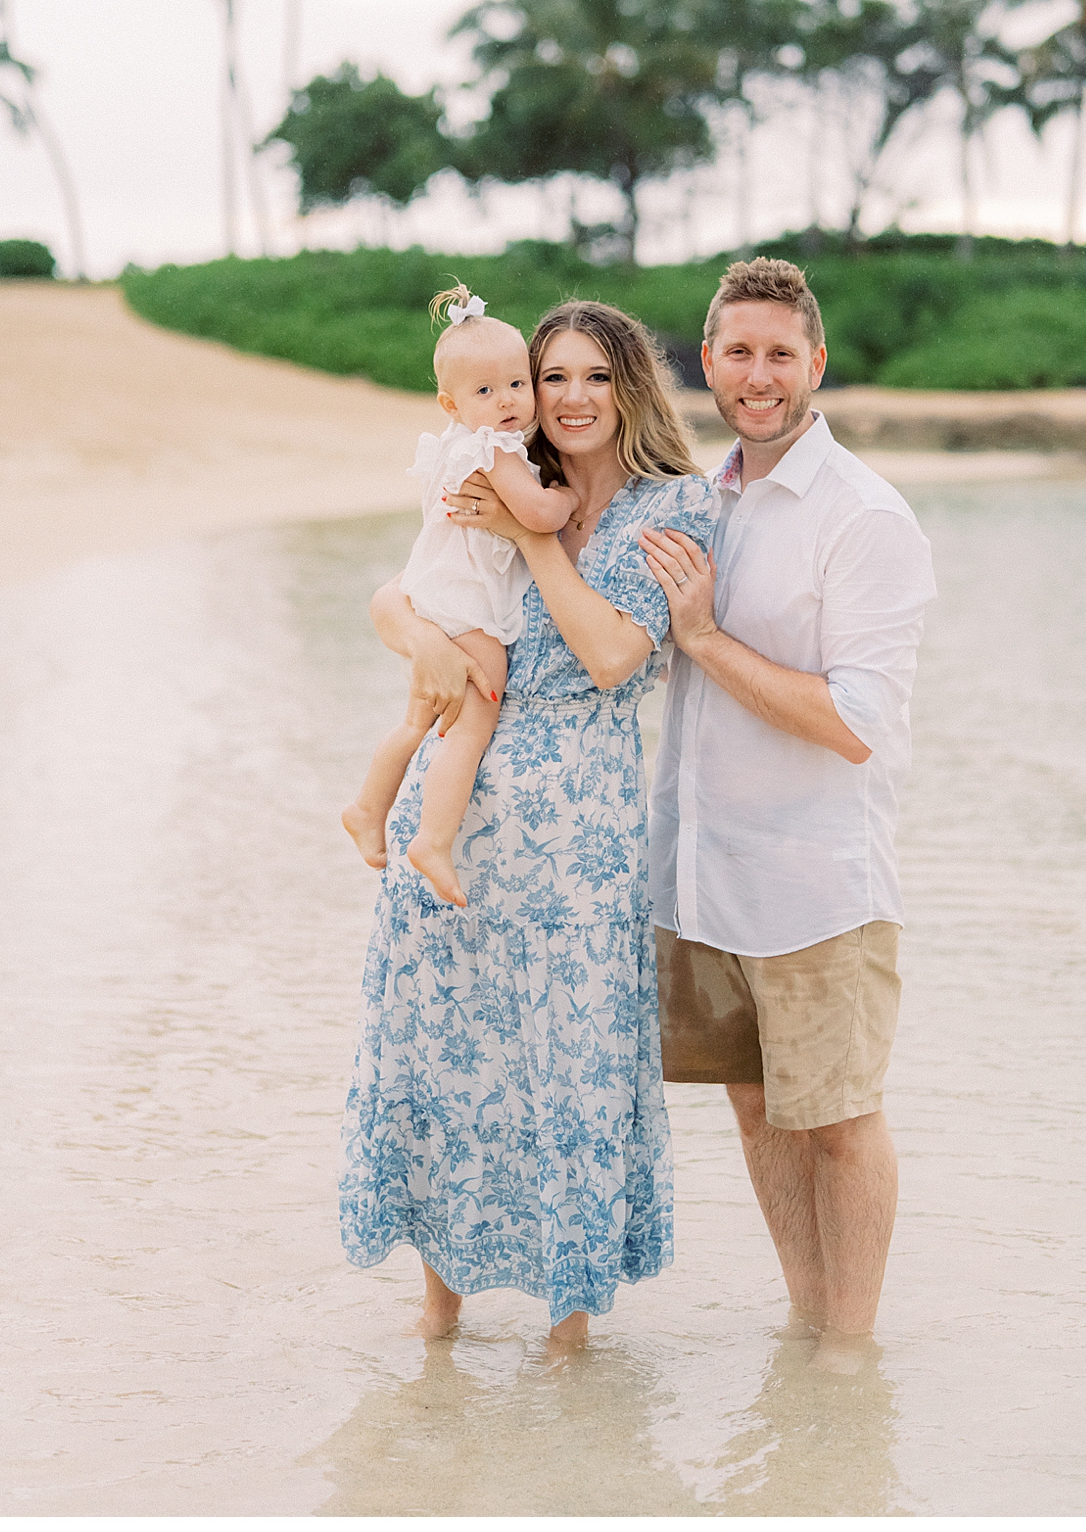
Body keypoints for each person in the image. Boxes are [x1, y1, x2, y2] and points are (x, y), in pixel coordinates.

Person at [341, 300, 719, 1351]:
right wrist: (414, 636)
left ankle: (569, 1331)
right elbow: (399, 588)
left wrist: (526, 542)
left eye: (595, 377)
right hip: (456, 806)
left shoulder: (673, 507)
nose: (570, 397)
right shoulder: (507, 469)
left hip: (582, 828)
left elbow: (612, 657)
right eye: (553, 377)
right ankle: (438, 1311)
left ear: (631, 385)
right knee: (441, 1048)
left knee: (574, 1063)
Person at [640, 257, 935, 1374]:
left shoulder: (863, 517)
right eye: (736, 352)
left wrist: (708, 640)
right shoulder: (697, 496)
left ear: (815, 364)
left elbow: (859, 721)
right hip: (705, 876)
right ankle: (806, 1320)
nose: (756, 375)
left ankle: (848, 1358)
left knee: (842, 1117)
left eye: (778, 354)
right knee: (758, 1104)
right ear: (705, 363)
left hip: (816, 884)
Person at [341, 284, 579, 906]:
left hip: (432, 591)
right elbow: (537, 515)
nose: (505, 402)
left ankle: (369, 808)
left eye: (516, 385)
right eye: (484, 392)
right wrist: (568, 499)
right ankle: (433, 840)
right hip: (466, 604)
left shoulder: (458, 443)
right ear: (450, 403)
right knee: (473, 723)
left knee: (421, 715)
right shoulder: (494, 449)